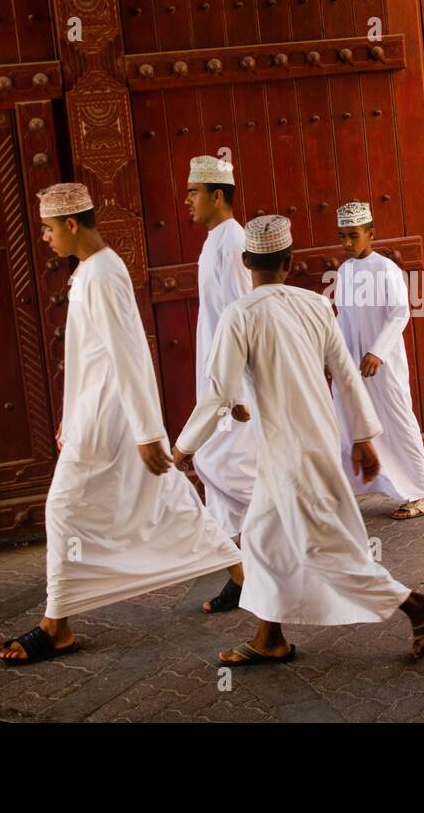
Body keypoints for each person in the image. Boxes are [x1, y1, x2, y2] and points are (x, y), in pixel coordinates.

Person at [172, 215, 424, 666]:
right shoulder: (315, 306)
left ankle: (418, 605)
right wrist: (361, 438)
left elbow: (218, 391)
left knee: (329, 551)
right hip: (312, 443)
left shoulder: (240, 314)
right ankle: (270, 639)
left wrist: (184, 447)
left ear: (245, 262)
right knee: (262, 541)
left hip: (289, 456)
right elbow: (345, 372)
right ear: (289, 262)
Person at [0, 183, 240, 665]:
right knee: (169, 500)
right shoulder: (91, 271)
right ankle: (246, 576)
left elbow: (129, 352)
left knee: (62, 509)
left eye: (47, 229)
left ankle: (56, 628)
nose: (44, 239)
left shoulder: (104, 273)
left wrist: (147, 432)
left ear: (70, 224)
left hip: (109, 420)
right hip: (98, 415)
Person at [332, 201, 424, 520]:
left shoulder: (385, 269)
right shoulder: (344, 271)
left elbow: (400, 312)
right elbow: (344, 318)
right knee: (359, 420)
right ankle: (394, 488)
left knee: (398, 421)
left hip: (385, 364)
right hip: (356, 364)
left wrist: (378, 351)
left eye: (354, 235)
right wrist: (338, 357)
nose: (348, 243)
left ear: (370, 233)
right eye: (342, 236)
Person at [185, 155, 258, 614]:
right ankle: (242, 578)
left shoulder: (233, 242)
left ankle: (296, 536)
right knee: (219, 486)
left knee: (220, 465)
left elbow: (243, 313)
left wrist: (238, 393)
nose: (187, 201)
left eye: (194, 192)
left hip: (234, 393)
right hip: (217, 386)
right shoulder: (215, 240)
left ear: (217, 195)